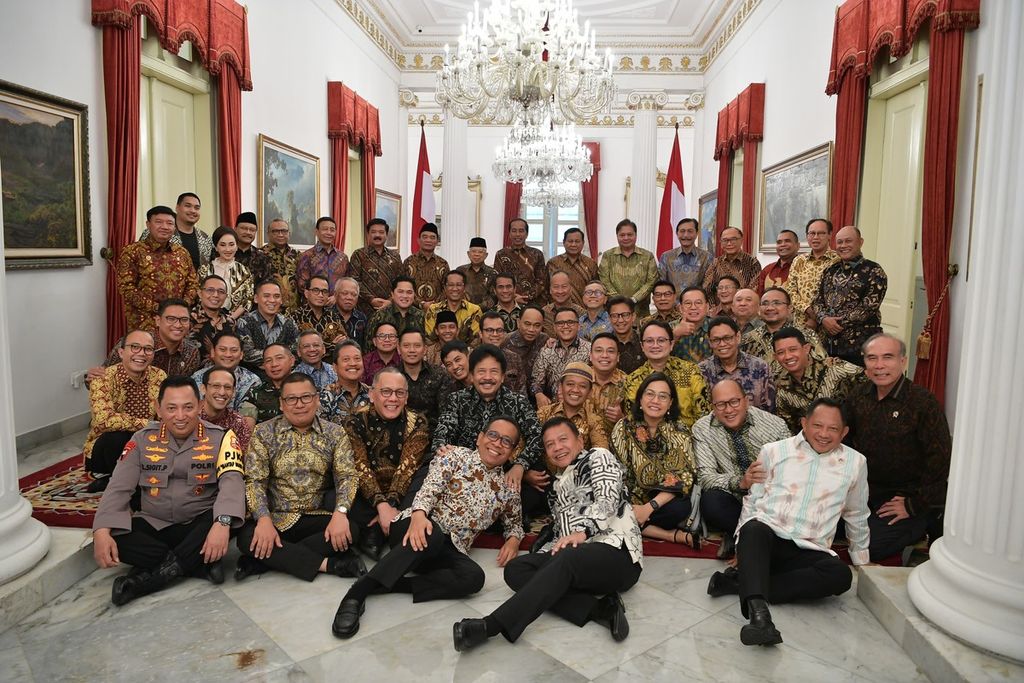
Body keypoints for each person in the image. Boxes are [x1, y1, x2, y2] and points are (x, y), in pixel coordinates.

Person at [452, 417, 642, 651]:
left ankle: (490, 626)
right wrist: (547, 550)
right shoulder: (558, 485)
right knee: (517, 570)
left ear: (580, 441)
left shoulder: (598, 457)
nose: (557, 447)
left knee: (569, 556)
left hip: (615, 555)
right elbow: (562, 532)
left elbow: (608, 501)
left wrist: (583, 532)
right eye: (550, 444)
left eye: (563, 439)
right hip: (576, 559)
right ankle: (601, 609)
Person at [332, 416, 525, 638]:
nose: (498, 443)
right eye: (493, 435)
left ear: (512, 451)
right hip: (412, 526)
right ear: (480, 438)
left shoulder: (508, 489)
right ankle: (357, 593)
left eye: (506, 441)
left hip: (447, 547)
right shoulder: (453, 456)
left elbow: (515, 523)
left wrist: (513, 539)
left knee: (473, 578)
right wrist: (419, 514)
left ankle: (389, 584)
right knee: (431, 533)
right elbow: (429, 488)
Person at [710, 398, 868, 647]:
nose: (824, 434)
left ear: (845, 431)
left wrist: (862, 559)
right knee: (753, 528)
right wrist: (743, 547)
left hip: (809, 549)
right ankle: (760, 618)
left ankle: (741, 582)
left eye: (833, 428)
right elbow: (753, 501)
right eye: (817, 425)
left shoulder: (855, 463)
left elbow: (856, 513)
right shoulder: (774, 452)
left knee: (840, 576)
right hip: (769, 540)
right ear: (804, 423)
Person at [91, 376, 244, 605]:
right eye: (171, 408)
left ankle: (144, 582)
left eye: (188, 407)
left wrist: (221, 523)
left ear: (201, 406)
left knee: (226, 523)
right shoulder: (141, 440)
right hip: (155, 522)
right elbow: (118, 487)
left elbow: (232, 483)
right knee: (115, 536)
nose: (180, 416)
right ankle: (197, 565)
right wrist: (101, 531)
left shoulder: (222, 438)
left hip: (198, 522)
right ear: (158, 408)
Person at [236, 373, 367, 582]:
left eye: (306, 397)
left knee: (350, 529)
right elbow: (255, 481)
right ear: (281, 403)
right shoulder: (263, 432)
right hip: (276, 517)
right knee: (246, 538)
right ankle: (330, 564)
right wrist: (263, 519)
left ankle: (266, 559)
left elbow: (347, 476)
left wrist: (340, 513)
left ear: (316, 399)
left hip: (316, 515)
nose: (299, 404)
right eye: (291, 399)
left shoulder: (335, 433)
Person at [845, 333, 951, 562]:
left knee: (867, 549)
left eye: (888, 357)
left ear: (903, 361)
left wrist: (913, 505)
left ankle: (921, 530)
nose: (879, 365)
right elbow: (843, 441)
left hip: (905, 497)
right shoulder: (858, 396)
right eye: (872, 358)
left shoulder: (923, 403)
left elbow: (940, 461)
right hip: (864, 492)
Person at [692, 380, 790, 556]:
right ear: (712, 406)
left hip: (769, 497)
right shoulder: (702, 429)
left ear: (746, 401)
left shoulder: (775, 426)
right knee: (710, 502)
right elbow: (705, 477)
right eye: (721, 405)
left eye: (734, 402)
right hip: (734, 498)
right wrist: (741, 482)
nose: (728, 410)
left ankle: (740, 536)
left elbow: (790, 471)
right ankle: (749, 535)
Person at [344, 368, 431, 559]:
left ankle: (375, 532)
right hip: (366, 494)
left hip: (402, 492)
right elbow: (360, 467)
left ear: (406, 397)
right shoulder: (354, 421)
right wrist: (381, 506)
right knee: (336, 494)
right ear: (372, 394)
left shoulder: (417, 421)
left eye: (399, 393)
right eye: (386, 392)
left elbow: (407, 469)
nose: (393, 399)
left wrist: (390, 504)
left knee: (425, 472)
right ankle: (390, 527)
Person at [610, 373, 700, 548]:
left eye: (663, 396)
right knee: (611, 505)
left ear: (670, 403)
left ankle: (633, 524)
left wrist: (648, 508)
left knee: (679, 508)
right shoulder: (623, 427)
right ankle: (670, 535)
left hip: (660, 500)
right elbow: (616, 473)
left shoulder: (679, 430)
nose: (655, 400)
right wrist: (631, 506)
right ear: (641, 398)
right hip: (630, 497)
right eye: (650, 394)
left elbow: (682, 476)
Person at [432, 345, 544, 487]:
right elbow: (442, 434)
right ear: (472, 376)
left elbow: (537, 436)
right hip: (462, 474)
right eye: (481, 372)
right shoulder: (457, 400)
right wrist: (443, 450)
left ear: (503, 377)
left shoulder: (517, 402)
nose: (487, 378)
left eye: (494, 372)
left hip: (504, 474)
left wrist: (520, 465)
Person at [84, 329, 167, 490]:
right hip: (108, 450)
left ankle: (117, 479)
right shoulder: (102, 379)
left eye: (148, 349)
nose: (141, 353)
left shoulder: (160, 376)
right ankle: (126, 488)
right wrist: (148, 424)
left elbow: (165, 414)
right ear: (121, 352)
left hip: (149, 442)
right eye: (135, 347)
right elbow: (104, 420)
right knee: (116, 437)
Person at [811, 226, 888, 366]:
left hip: (861, 347)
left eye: (848, 241)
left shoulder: (874, 271)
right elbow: (816, 300)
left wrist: (835, 323)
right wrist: (823, 319)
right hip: (828, 346)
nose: (843, 245)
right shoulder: (830, 270)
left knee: (861, 387)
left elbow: (869, 307)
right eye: (840, 242)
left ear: (861, 242)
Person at [116, 205, 198, 332]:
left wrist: (180, 307)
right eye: (159, 222)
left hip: (178, 323)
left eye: (170, 223)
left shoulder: (182, 253)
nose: (165, 227)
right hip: (144, 323)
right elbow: (126, 288)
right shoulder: (132, 251)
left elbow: (193, 283)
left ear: (174, 227)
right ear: (148, 225)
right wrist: (159, 309)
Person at [772, 327, 864, 434]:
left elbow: (870, 382)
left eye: (793, 349)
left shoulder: (836, 369)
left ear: (806, 349)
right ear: (775, 357)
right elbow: (788, 427)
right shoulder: (782, 387)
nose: (787, 356)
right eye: (781, 352)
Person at [622, 320, 708, 427]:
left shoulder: (691, 372)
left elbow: (704, 417)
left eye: (661, 340)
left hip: (691, 439)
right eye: (649, 341)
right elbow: (634, 421)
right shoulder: (633, 380)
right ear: (642, 346)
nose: (655, 345)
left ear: (671, 344)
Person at [94, 298, 202, 379]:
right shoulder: (133, 343)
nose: (178, 325)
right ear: (158, 321)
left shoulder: (192, 352)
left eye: (184, 319)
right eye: (171, 319)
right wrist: (93, 377)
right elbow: (102, 376)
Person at [698, 316, 775, 412]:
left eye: (727, 338)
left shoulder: (760, 367)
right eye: (716, 340)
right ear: (710, 342)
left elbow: (769, 411)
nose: (722, 344)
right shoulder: (702, 371)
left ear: (738, 337)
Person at [741, 287, 826, 365]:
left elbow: (822, 365)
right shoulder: (748, 338)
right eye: (765, 304)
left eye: (777, 303)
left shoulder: (806, 334)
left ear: (790, 308)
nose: (770, 308)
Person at [536, 363, 609, 450]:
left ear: (590, 392)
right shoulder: (544, 413)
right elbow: (531, 446)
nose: (575, 390)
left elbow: (601, 454)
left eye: (582, 386)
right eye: (570, 384)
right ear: (560, 387)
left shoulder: (593, 421)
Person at [598, 219, 659, 317]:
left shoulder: (647, 256)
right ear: (617, 236)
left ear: (636, 235)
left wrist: (634, 299)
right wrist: (619, 300)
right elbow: (604, 280)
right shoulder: (608, 256)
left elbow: (651, 281)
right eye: (622, 235)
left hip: (640, 313)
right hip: (614, 312)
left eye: (630, 234)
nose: (626, 238)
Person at [785, 218, 838, 329]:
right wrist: (808, 310)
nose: (816, 237)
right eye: (812, 233)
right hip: (800, 322)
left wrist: (818, 317)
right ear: (807, 236)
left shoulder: (837, 260)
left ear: (830, 235)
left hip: (828, 324)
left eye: (821, 233)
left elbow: (837, 293)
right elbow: (790, 290)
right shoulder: (799, 260)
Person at [531, 308, 592, 405]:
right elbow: (535, 381)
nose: (565, 326)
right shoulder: (546, 351)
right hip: (553, 407)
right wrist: (538, 394)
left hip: (582, 405)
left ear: (578, 326)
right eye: (560, 323)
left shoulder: (590, 350)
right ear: (554, 327)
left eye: (570, 322)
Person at [235, 280, 300, 370]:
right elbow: (246, 355)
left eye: (276, 296)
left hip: (285, 374)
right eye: (266, 296)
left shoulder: (288, 323)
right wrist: (281, 356)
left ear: (281, 300)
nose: (272, 300)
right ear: (256, 299)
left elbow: (297, 351)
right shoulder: (245, 322)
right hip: (254, 376)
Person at [190, 331, 260, 413]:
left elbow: (247, 420)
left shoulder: (253, 381)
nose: (228, 354)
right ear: (213, 352)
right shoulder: (196, 379)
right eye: (222, 349)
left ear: (241, 354)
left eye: (234, 350)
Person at [197, 226, 253, 320]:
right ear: (216, 247)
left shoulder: (244, 271)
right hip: (206, 320)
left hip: (236, 321)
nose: (228, 249)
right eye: (223, 245)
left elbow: (248, 301)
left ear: (236, 246)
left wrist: (231, 319)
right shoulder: (204, 270)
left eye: (231, 244)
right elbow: (199, 296)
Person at [398, 328, 449, 433]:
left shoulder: (439, 375)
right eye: (406, 346)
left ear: (425, 349)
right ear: (399, 349)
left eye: (417, 346)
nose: (412, 350)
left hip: (433, 435)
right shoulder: (391, 376)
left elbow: (445, 414)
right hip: (399, 435)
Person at [349, 217, 404, 315]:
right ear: (368, 234)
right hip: (364, 309)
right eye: (373, 232)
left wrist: (390, 300)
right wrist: (371, 299)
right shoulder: (358, 255)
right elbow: (354, 280)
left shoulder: (395, 256)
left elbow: (400, 281)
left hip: (391, 308)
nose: (377, 235)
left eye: (381, 232)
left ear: (386, 235)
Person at [493, 217, 548, 305]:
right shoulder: (501, 254)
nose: (517, 234)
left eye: (521, 231)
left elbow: (542, 282)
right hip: (507, 302)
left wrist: (526, 297)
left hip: (533, 303)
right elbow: (496, 280)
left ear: (526, 234)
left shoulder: (537, 254)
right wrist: (513, 297)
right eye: (514, 231)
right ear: (509, 234)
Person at [199, 365, 253, 452]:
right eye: (216, 386)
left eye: (227, 387)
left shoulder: (238, 423)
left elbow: (244, 458)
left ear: (234, 392)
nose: (222, 392)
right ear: (203, 389)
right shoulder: (188, 416)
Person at [291, 275, 348, 357]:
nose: (321, 295)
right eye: (316, 290)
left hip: (332, 365)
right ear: (306, 293)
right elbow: (294, 348)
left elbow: (343, 343)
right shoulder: (295, 317)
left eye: (324, 291)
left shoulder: (334, 316)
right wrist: (331, 345)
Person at [239, 343, 295, 425]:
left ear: (292, 360)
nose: (274, 364)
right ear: (264, 365)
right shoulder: (254, 393)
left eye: (279, 358)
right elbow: (246, 430)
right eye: (268, 360)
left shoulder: (306, 389)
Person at [701, 227, 760, 303]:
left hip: (742, 309)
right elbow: (707, 289)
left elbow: (753, 291)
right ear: (721, 242)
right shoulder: (715, 263)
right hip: (719, 311)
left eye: (734, 239)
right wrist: (713, 308)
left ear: (741, 240)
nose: (729, 243)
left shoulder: (752, 262)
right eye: (725, 240)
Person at [499, 305, 549, 395]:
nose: (531, 329)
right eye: (527, 324)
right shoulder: (504, 342)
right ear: (518, 322)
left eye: (537, 325)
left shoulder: (545, 340)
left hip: (538, 393)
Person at [424, 270, 482, 346]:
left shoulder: (475, 310)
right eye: (451, 285)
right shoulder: (433, 309)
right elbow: (430, 339)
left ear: (464, 288)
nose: (455, 289)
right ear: (444, 288)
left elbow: (476, 340)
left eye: (459, 285)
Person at [294, 216, 351, 294]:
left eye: (332, 230)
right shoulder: (307, 256)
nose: (329, 233)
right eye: (325, 229)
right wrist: (319, 296)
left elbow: (346, 283)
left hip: (337, 303)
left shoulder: (343, 257)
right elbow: (302, 284)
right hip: (314, 303)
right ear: (316, 231)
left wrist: (335, 297)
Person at [585, 332, 627, 436]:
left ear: (617, 357)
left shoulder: (628, 383)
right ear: (590, 356)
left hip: (616, 444)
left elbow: (639, 424)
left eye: (610, 351)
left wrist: (621, 419)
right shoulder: (580, 379)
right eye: (599, 351)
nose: (604, 355)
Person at [320, 340, 371, 424]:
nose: (353, 363)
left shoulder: (373, 394)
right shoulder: (325, 397)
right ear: (335, 367)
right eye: (346, 359)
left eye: (357, 358)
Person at [546, 227, 599, 307]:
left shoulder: (591, 264)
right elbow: (546, 288)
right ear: (564, 242)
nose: (573, 244)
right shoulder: (553, 263)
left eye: (577, 241)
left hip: (584, 311)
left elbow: (596, 288)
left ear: (583, 243)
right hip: (557, 311)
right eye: (570, 241)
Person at [366, 275, 426, 343]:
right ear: (392, 294)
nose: (405, 296)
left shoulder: (422, 317)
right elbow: (369, 347)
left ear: (414, 295)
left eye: (409, 292)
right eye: (400, 292)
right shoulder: (379, 317)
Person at [658, 218, 711, 293]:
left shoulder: (707, 257)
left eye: (690, 231)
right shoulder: (666, 257)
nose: (686, 235)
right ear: (677, 233)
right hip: (672, 303)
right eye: (682, 231)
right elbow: (661, 284)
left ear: (697, 233)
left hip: (696, 303)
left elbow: (708, 286)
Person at [402, 222, 449, 307]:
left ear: (437, 241)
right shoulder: (408, 262)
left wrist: (433, 305)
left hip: (436, 311)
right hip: (412, 310)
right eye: (425, 237)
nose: (428, 240)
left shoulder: (443, 264)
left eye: (432, 237)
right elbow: (404, 287)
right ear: (418, 240)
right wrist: (421, 304)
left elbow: (446, 288)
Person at [188, 275, 235, 360]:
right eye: (210, 290)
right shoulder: (187, 319)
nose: (216, 295)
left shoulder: (230, 322)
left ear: (226, 296)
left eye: (221, 291)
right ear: (199, 293)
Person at [261, 218, 300, 310]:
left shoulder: (297, 255)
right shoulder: (260, 254)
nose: (280, 234)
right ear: (268, 234)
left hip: (295, 309)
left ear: (289, 233)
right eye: (275, 231)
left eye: (284, 231)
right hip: (269, 309)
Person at [169, 192, 213, 270]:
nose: (193, 211)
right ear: (177, 208)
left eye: (197, 208)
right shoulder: (162, 233)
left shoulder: (205, 239)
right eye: (188, 206)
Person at [670, 286, 713, 364]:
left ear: (707, 307)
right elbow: (657, 357)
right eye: (688, 303)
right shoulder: (668, 328)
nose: (693, 307)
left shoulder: (717, 327)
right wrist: (675, 335)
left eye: (698, 303)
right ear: (681, 308)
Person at [457, 237, 498, 312]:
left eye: (480, 252)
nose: (476, 254)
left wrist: (477, 308)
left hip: (486, 314)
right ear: (468, 254)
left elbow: (494, 296)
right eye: (473, 251)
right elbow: (456, 291)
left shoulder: (493, 273)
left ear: (486, 255)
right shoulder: (460, 271)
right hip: (463, 312)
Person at [607, 296, 645, 375]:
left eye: (625, 315)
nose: (620, 320)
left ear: (633, 316)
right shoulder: (604, 343)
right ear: (609, 319)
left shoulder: (645, 341)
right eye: (615, 316)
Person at [232, 211, 272, 285]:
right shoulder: (225, 253)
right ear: (235, 229)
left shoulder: (262, 257)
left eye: (252, 230)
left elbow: (266, 285)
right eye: (244, 228)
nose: (248, 232)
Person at [542, 271, 586, 337]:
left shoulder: (581, 313)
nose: (560, 291)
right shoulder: (544, 313)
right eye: (556, 287)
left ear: (571, 289)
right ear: (550, 290)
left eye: (564, 286)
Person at [333, 277, 368, 349]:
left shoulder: (362, 318)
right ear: (335, 294)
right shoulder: (326, 316)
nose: (349, 297)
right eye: (345, 293)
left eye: (354, 294)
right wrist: (331, 346)